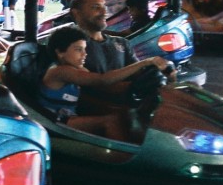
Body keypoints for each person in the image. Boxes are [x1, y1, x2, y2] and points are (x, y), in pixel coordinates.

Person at [40, 25, 170, 139]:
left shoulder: (77, 69)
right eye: (78, 50)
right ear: (60, 52)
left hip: (68, 116)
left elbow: (106, 86)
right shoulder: (60, 71)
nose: (84, 54)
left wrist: (135, 86)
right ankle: (121, 159)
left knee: (124, 114)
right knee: (111, 122)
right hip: (53, 121)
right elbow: (102, 80)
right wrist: (144, 62)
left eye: (85, 49)